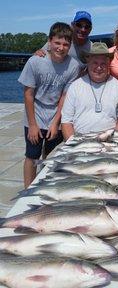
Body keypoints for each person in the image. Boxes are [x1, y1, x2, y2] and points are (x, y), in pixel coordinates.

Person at [18, 22, 80, 188]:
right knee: (32, 156)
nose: (61, 48)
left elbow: (65, 96)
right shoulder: (35, 62)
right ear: (49, 41)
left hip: (55, 116)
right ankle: (27, 191)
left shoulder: (73, 66)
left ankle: (44, 188)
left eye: (66, 44)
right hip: (35, 115)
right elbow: (28, 94)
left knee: (50, 155)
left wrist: (55, 123)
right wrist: (32, 124)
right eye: (57, 43)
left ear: (70, 45)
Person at [61, 42, 118, 139]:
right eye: (95, 63)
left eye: (103, 63)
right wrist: (73, 145)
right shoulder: (75, 87)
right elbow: (66, 121)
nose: (99, 67)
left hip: (110, 141)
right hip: (79, 141)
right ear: (88, 62)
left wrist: (113, 141)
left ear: (109, 64)